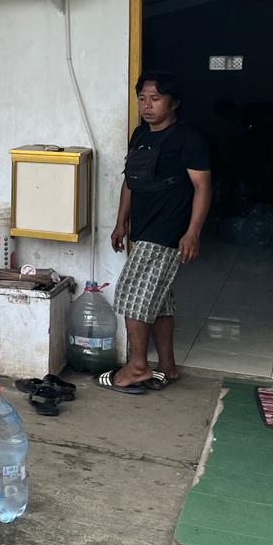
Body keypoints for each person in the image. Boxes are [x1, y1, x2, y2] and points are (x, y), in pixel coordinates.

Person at [100, 72, 211, 393]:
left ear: (174, 103)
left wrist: (193, 232)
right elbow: (130, 180)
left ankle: (137, 367)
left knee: (132, 293)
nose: (147, 106)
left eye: (156, 99)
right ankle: (167, 366)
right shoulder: (140, 134)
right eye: (142, 98)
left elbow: (203, 187)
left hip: (168, 228)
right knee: (159, 299)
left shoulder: (187, 139)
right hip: (143, 226)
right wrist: (121, 222)